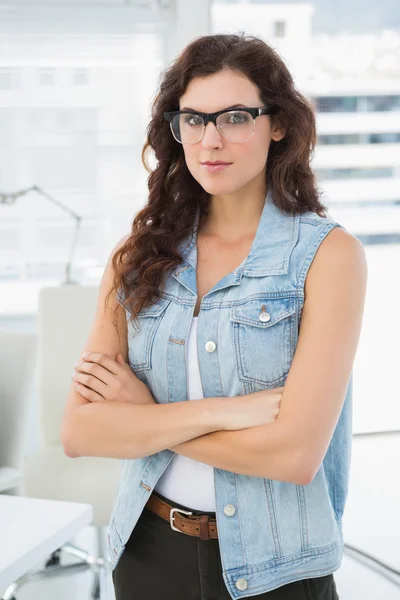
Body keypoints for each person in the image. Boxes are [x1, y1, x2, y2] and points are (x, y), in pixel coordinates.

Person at [61, 33, 367, 599]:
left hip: (279, 568)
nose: (211, 140)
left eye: (234, 116)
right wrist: (228, 413)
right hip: (148, 553)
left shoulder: (326, 256)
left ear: (278, 124)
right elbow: (80, 431)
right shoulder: (138, 256)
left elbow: (295, 457)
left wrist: (145, 420)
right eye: (194, 120)